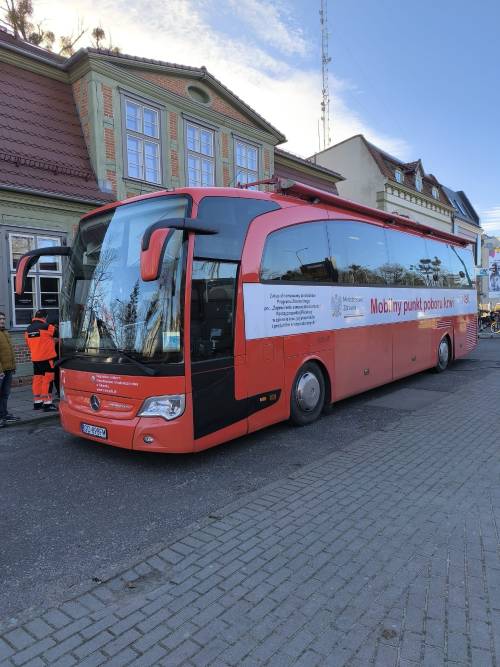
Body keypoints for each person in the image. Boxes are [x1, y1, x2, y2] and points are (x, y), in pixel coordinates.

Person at [25, 309, 58, 412]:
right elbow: (60, 335)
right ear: (45, 317)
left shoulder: (28, 329)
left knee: (37, 380)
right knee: (47, 380)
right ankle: (47, 404)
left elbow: (29, 344)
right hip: (47, 358)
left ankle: (37, 402)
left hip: (35, 359)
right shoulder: (47, 327)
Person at [0, 311, 20, 427]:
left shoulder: (5, 332)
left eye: (3, 319)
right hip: (1, 371)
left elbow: (10, 352)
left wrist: (13, 367)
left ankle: (4, 414)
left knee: (5, 394)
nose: (2, 321)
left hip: (8, 369)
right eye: (0, 319)